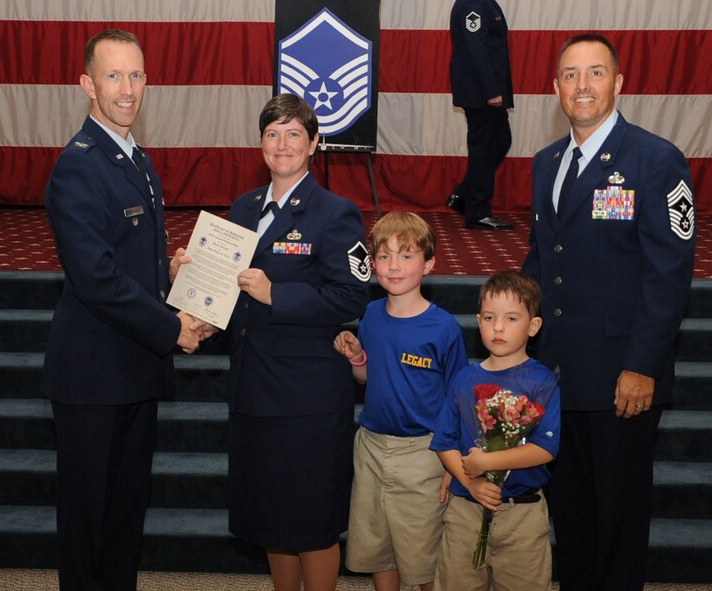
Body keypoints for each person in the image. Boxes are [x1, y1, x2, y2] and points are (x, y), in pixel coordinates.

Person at [522, 34, 697, 591]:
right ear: (556, 88)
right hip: (559, 373)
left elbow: (668, 275)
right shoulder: (545, 161)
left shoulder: (655, 159)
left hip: (623, 374)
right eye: (570, 75)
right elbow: (544, 258)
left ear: (618, 84)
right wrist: (511, 319)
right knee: (570, 514)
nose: (582, 85)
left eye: (595, 73)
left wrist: (643, 365)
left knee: (618, 520)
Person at [184, 93, 369, 591]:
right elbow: (230, 292)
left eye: (293, 134)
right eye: (272, 133)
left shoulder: (337, 213)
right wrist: (202, 314)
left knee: (310, 522)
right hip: (252, 387)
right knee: (271, 519)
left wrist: (276, 293)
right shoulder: (244, 208)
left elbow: (351, 297)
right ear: (260, 143)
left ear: (313, 144)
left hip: (306, 395)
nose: (282, 143)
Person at [42, 29, 202, 591]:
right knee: (88, 526)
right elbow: (95, 278)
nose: (128, 88)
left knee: (124, 521)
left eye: (136, 75)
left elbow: (126, 257)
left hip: (133, 369)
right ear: (88, 85)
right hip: (92, 375)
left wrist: (172, 272)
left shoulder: (134, 157)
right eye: (114, 75)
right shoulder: (79, 165)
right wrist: (171, 326)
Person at [333, 212, 469, 591]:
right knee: (379, 549)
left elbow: (458, 400)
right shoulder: (371, 315)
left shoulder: (443, 328)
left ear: (429, 263)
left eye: (406, 256)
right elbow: (366, 378)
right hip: (372, 446)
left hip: (424, 453)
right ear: (372, 263)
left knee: (424, 556)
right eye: (384, 256)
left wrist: (452, 461)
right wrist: (357, 356)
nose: (394, 266)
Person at [430, 270, 560, 591]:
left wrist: (487, 463)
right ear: (478, 320)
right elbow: (444, 442)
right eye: (489, 317)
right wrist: (469, 482)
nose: (498, 327)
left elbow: (545, 449)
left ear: (533, 326)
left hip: (522, 515)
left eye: (511, 318)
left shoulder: (541, 382)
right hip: (465, 510)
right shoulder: (464, 379)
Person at [444, 0, 514, 230]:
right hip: (481, 92)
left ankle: (465, 195)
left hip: (485, 90)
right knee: (484, 147)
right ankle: (478, 211)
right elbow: (476, 49)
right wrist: (491, 91)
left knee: (500, 140)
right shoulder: (473, 4)